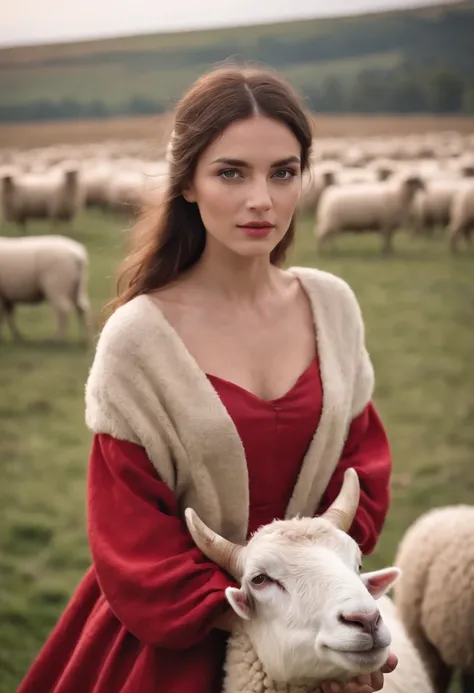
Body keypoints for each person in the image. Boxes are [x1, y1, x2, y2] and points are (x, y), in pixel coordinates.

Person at [18, 65, 396, 693]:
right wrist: (253, 620)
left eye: (284, 171)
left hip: (317, 630)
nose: (262, 200)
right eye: (231, 172)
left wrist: (319, 610)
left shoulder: (334, 307)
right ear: (187, 183)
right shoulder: (138, 337)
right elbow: (129, 529)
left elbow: (364, 471)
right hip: (179, 637)